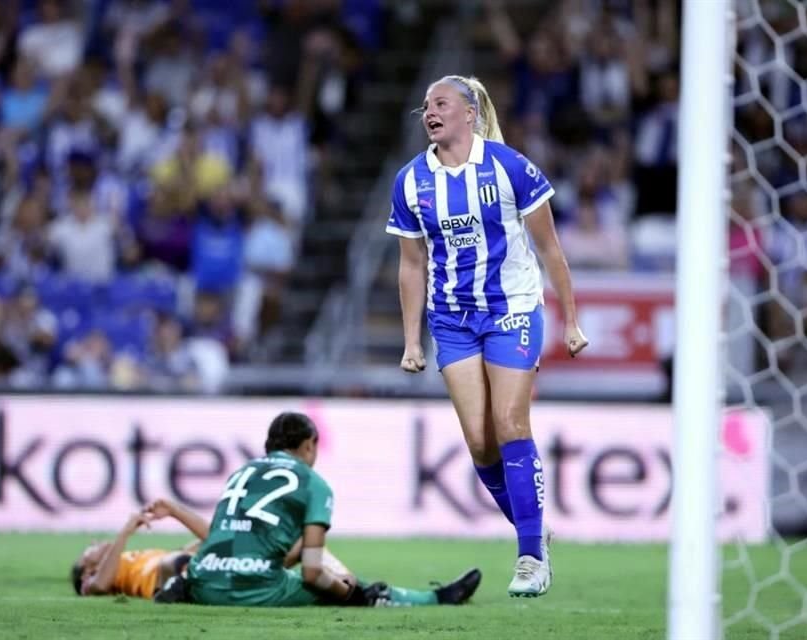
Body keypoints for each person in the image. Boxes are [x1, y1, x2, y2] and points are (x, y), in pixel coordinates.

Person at [385, 75, 588, 597]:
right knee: (479, 442)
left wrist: (570, 318)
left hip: (511, 308)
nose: (430, 111)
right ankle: (534, 530)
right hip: (451, 319)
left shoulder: (510, 167)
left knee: (509, 420)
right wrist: (412, 341)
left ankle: (529, 557)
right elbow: (412, 265)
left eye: (441, 103)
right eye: (425, 105)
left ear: (470, 114)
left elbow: (550, 250)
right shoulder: (411, 181)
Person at [160, 411, 481, 607]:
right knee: (355, 589)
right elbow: (312, 574)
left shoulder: (241, 473)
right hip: (254, 589)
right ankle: (433, 599)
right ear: (310, 444)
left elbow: (224, 536)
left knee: (296, 555)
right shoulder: (314, 484)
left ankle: (181, 587)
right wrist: (347, 593)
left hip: (203, 580)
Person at [71, 496, 355, 600]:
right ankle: (345, 585)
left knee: (294, 545)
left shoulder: (135, 557)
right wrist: (126, 530)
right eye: (90, 550)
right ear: (86, 571)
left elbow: (214, 538)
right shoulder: (98, 579)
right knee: (180, 561)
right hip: (176, 574)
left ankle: (345, 580)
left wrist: (174, 511)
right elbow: (99, 586)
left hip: (195, 566)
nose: (96, 545)